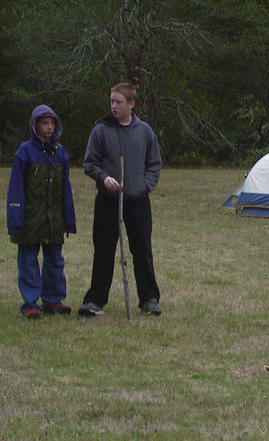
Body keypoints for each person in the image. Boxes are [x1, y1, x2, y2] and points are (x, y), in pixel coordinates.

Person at [80, 82, 162, 317]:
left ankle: (149, 300)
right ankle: (95, 301)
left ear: (131, 104)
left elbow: (154, 163)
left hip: (137, 201)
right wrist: (103, 177)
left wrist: (144, 186)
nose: (114, 106)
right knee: (104, 250)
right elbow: (90, 163)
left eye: (119, 102)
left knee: (142, 251)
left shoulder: (144, 131)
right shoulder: (101, 130)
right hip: (108, 200)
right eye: (112, 101)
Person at [7, 105, 76, 319]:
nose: (49, 127)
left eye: (52, 123)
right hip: (30, 218)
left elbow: (65, 190)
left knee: (55, 259)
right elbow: (16, 189)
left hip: (53, 218)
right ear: (35, 125)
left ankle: (53, 299)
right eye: (45, 123)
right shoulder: (24, 152)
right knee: (28, 260)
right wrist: (16, 220)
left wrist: (68, 219)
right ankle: (30, 302)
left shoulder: (60, 153)